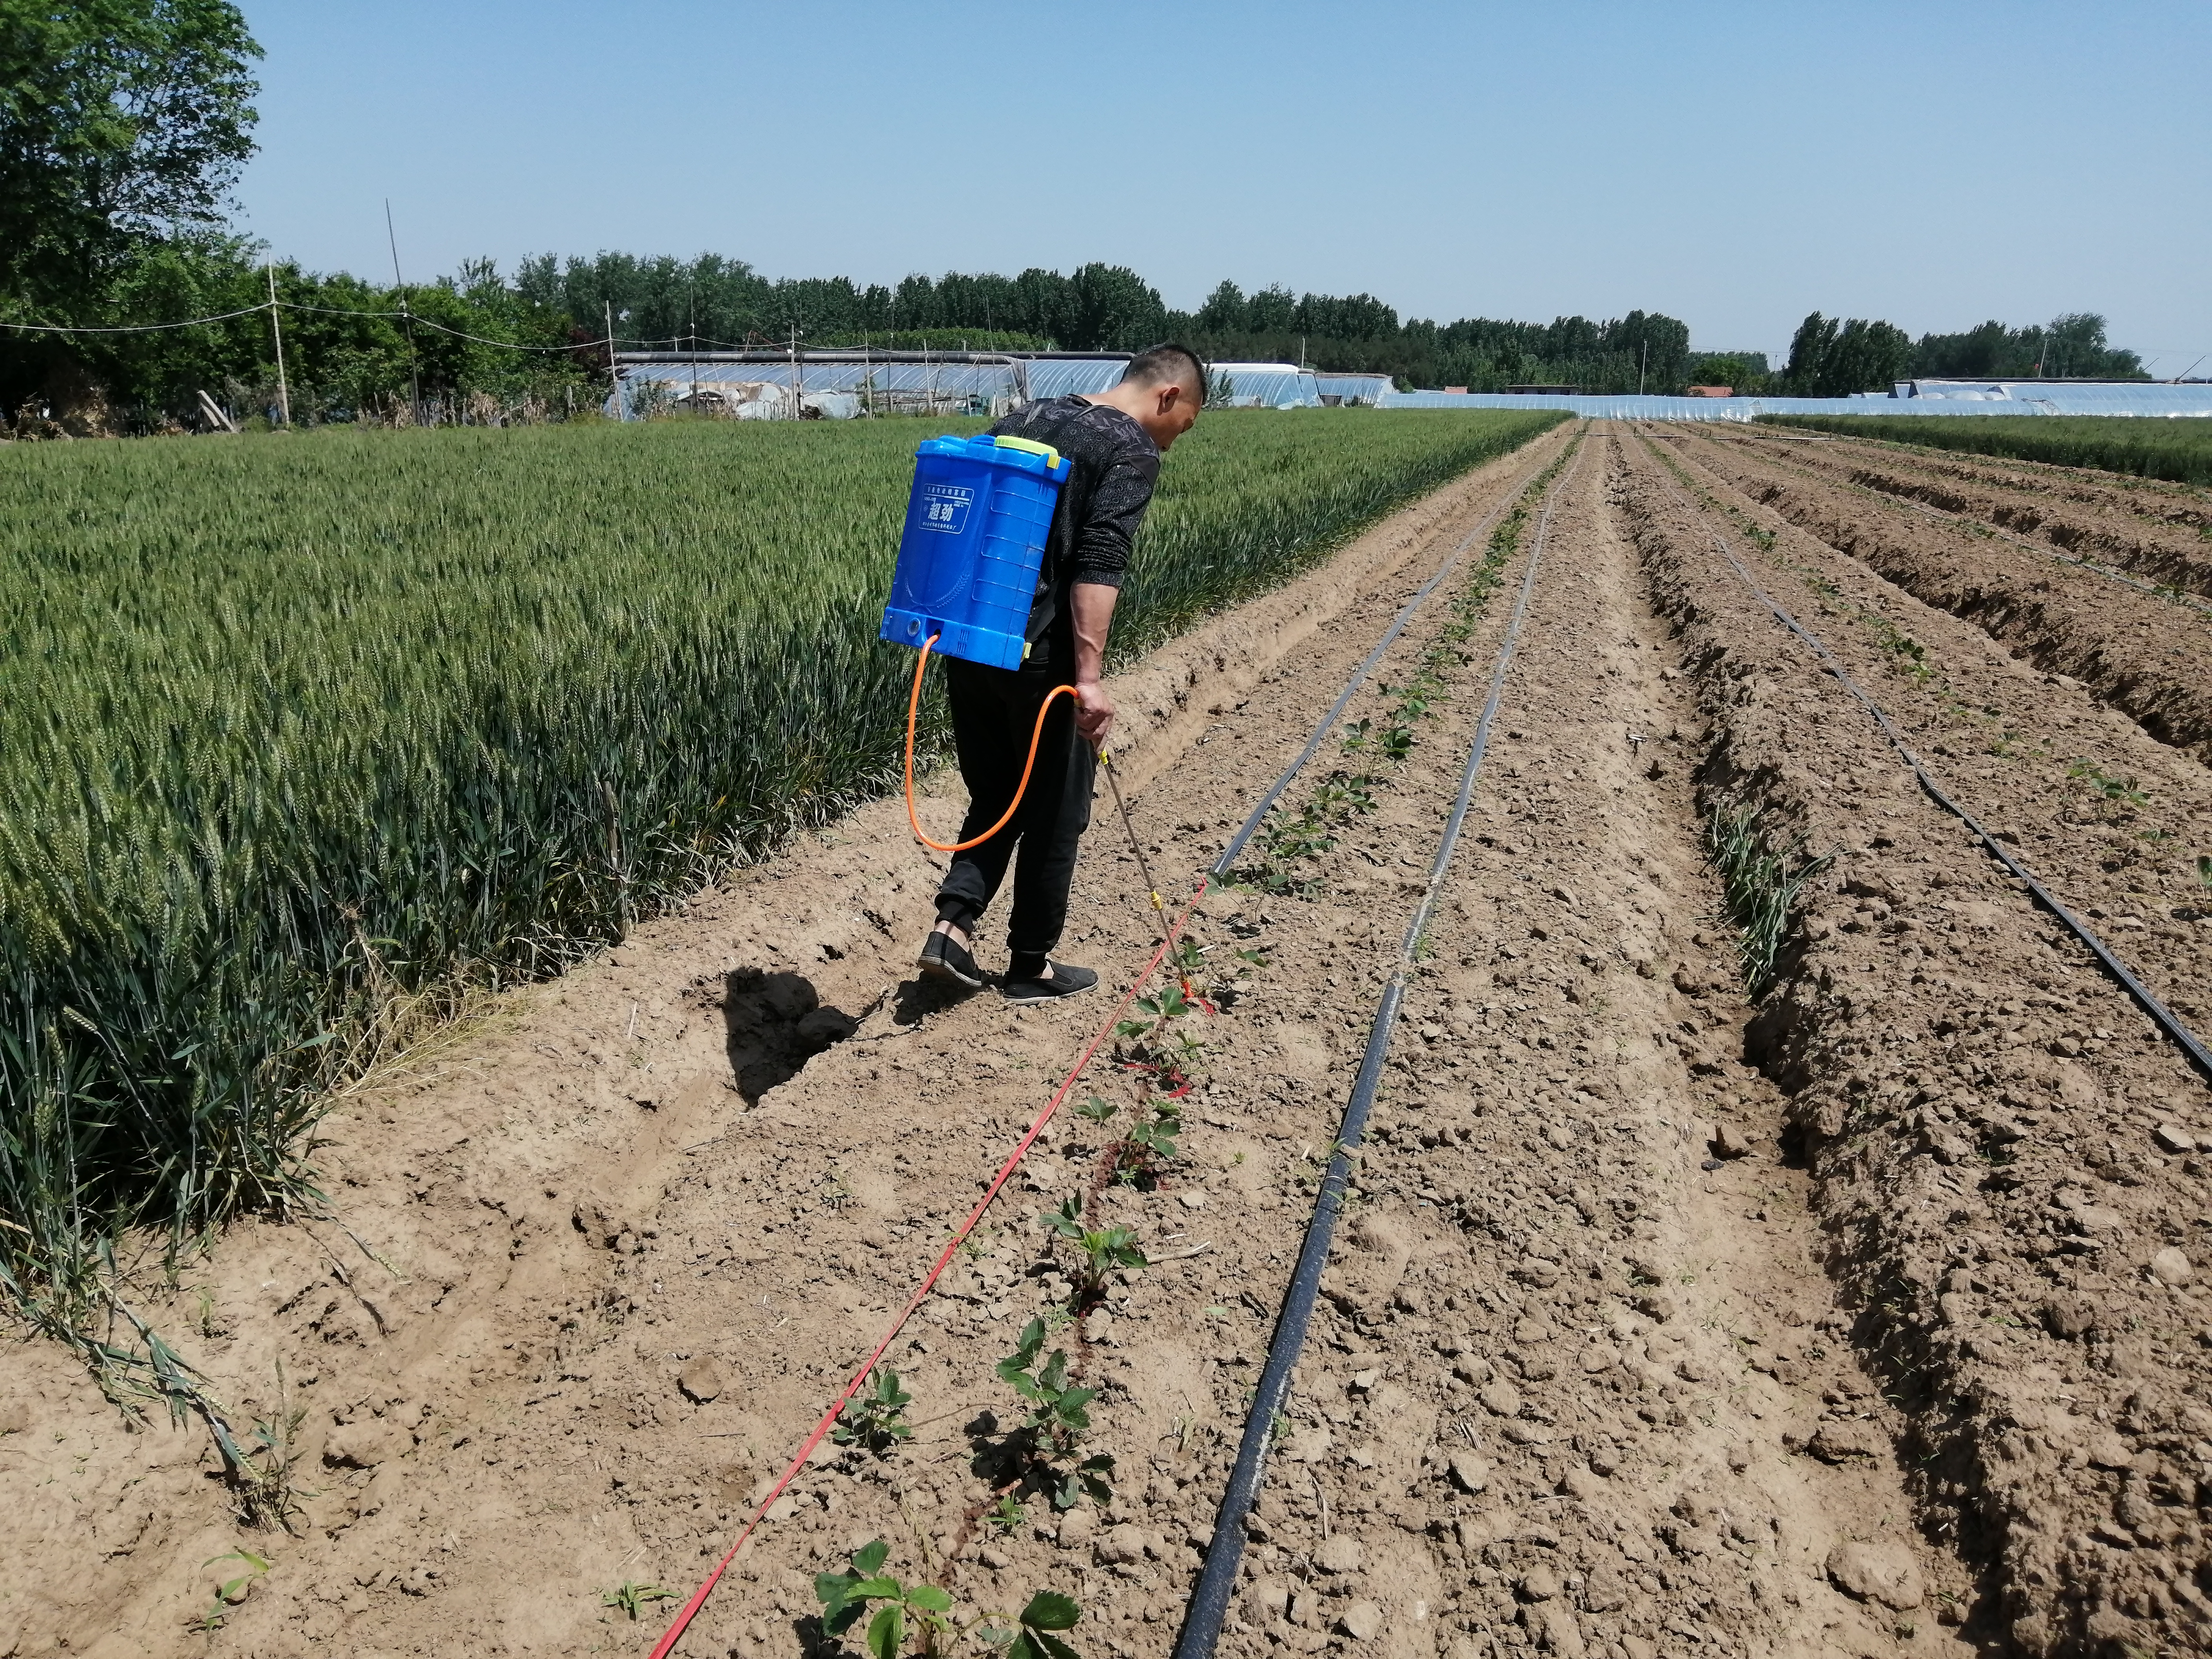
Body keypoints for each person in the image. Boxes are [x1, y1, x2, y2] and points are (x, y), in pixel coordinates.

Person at [916, 343, 1205, 1003]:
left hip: (970, 641)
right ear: (1168, 397)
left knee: (996, 794)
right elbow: (1100, 563)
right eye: (1184, 423)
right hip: (1041, 659)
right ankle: (1029, 965)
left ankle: (952, 929)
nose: (1175, 439)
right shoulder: (1129, 447)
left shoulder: (1025, 415)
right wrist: (1090, 679)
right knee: (1057, 812)